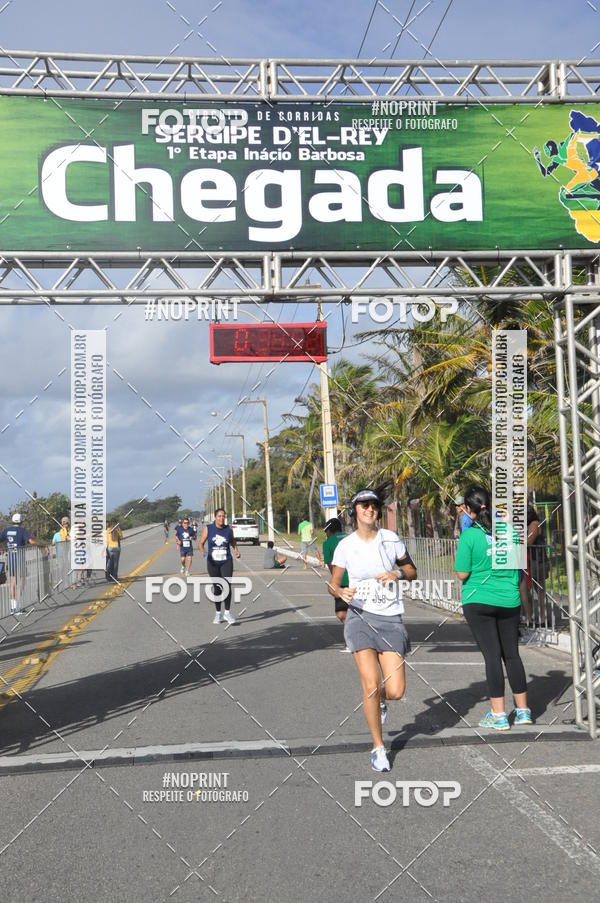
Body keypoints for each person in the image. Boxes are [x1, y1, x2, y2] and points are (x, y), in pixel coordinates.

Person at [328, 489, 416, 773]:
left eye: (374, 506)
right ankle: (378, 748)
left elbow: (412, 571)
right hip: (360, 618)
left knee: (395, 689)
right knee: (370, 685)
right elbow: (333, 583)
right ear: (355, 511)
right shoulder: (345, 545)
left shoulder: (391, 539)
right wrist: (341, 592)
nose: (370, 509)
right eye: (364, 505)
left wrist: (397, 574)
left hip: (390, 618)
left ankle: (380, 703)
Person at [454, 485, 532, 730]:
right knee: (512, 655)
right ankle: (523, 712)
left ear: (468, 509)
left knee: (492, 657)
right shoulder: (511, 532)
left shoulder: (469, 536)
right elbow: (518, 570)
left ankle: (499, 715)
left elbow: (462, 572)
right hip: (509, 601)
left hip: (479, 601)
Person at [0, 512, 48, 612]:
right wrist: (43, 545)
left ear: (12, 521)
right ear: (21, 521)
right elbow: (31, 541)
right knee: (22, 581)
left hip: (10, 558)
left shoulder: (6, 531)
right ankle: (19, 605)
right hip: (20, 558)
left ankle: (13, 607)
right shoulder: (22, 530)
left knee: (12, 582)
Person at [199, 508, 240, 624]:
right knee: (217, 588)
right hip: (213, 563)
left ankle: (227, 613)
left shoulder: (228, 529)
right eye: (219, 516)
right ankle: (218, 614)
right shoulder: (209, 528)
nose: (221, 518)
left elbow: (232, 541)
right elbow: (201, 543)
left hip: (226, 561)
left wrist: (236, 550)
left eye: (223, 516)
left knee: (227, 585)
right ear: (215, 518)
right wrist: (204, 553)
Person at [322, 517, 349, 628]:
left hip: (342, 583)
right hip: (359, 580)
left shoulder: (328, 543)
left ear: (329, 531)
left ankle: (356, 638)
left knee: (341, 613)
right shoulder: (351, 537)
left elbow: (331, 566)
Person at [526, 504, 547, 626]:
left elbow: (529, 540)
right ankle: (531, 616)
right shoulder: (530, 524)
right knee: (529, 590)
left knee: (539, 590)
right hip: (531, 560)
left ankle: (542, 618)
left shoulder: (534, 523)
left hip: (536, 560)